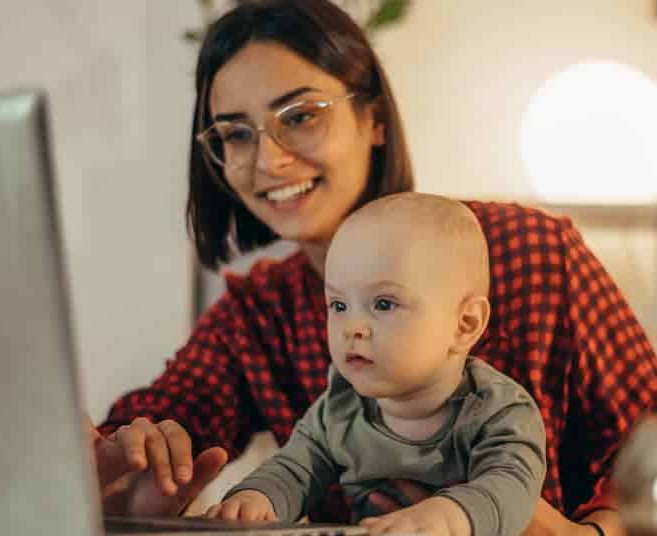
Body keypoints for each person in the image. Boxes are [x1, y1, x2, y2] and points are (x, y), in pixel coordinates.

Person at [87, 1, 657, 534]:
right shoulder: (258, 312)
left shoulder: (531, 251)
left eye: (299, 116)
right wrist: (128, 468)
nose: (268, 159)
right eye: (236, 134)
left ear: (373, 118)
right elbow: (157, 431)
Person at [204, 193, 547, 536]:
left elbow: (511, 486)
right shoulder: (340, 407)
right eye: (338, 305)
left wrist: (448, 516)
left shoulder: (499, 413)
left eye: (383, 303)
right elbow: (295, 468)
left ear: (465, 324)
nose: (352, 327)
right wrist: (256, 498)